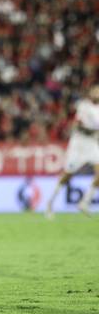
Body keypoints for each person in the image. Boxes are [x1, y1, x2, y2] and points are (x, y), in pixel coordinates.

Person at [46, 85, 99, 219]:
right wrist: (94, 132)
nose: (97, 93)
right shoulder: (84, 106)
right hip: (79, 144)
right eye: (95, 91)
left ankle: (84, 202)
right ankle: (50, 202)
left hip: (92, 145)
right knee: (68, 174)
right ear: (91, 93)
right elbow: (78, 125)